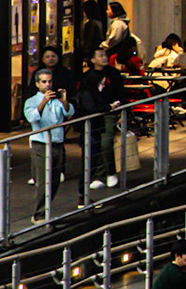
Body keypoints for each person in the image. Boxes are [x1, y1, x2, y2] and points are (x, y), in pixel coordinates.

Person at [73, 45, 129, 189]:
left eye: (105, 55)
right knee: (94, 145)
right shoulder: (87, 77)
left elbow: (122, 94)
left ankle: (110, 172)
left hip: (110, 112)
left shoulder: (114, 74)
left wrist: (121, 110)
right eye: (100, 55)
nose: (104, 58)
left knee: (106, 142)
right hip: (93, 114)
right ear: (92, 60)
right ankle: (99, 175)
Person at [22, 68, 70, 221]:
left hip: (57, 143)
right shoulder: (32, 101)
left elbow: (69, 113)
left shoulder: (57, 100)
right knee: (43, 181)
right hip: (41, 143)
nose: (48, 85)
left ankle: (46, 210)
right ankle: (39, 214)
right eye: (44, 82)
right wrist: (43, 101)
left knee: (55, 180)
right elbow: (32, 117)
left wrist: (64, 100)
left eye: (49, 81)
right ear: (37, 84)